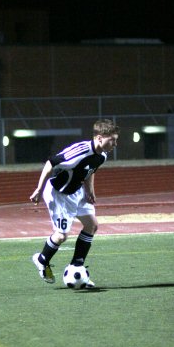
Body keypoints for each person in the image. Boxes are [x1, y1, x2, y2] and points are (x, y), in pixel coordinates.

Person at [29, 118, 120, 287]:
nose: (115, 144)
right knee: (61, 235)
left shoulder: (102, 156)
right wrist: (38, 189)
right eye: (112, 140)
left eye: (116, 140)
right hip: (59, 194)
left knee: (91, 225)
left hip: (77, 191)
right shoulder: (79, 151)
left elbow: (89, 170)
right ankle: (41, 259)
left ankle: (77, 267)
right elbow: (51, 163)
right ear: (100, 138)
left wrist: (89, 190)